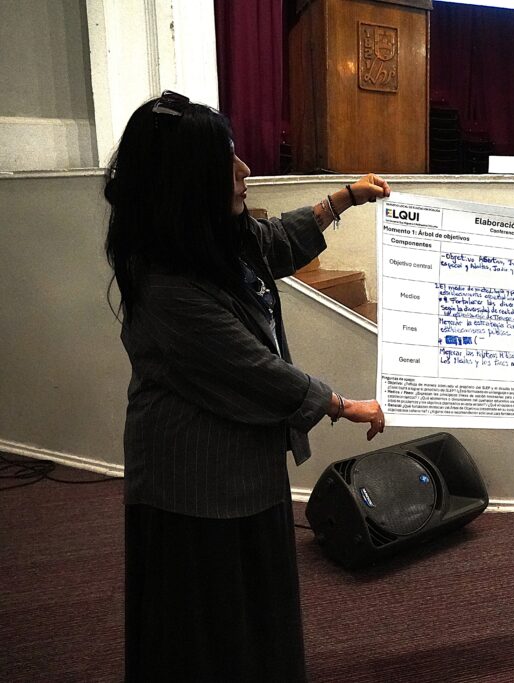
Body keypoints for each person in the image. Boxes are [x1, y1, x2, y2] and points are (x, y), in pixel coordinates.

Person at [104, 90, 389, 682]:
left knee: (254, 610)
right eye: (225, 161)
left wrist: (345, 198)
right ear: (184, 183)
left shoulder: (210, 238)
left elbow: (274, 242)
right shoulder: (165, 283)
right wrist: (342, 405)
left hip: (245, 468)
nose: (244, 168)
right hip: (193, 483)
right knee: (207, 627)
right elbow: (253, 371)